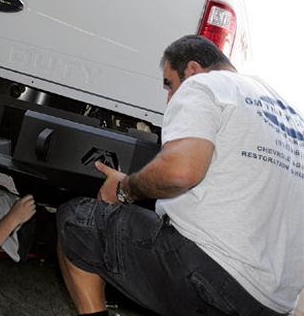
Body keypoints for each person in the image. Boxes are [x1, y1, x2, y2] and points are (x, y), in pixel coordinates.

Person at [56, 35, 304, 316]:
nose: (170, 97)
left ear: (193, 69)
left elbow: (181, 172)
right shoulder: (293, 118)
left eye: (170, 84)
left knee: (79, 221)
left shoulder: (205, 84)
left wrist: (124, 189)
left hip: (210, 273)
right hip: (273, 304)